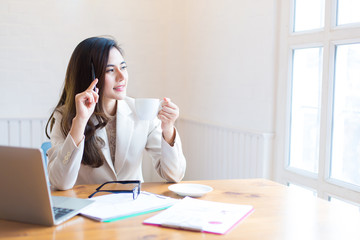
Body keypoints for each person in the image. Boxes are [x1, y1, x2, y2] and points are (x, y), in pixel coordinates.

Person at [46, 36, 186, 190]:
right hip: (88, 206)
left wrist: (168, 129)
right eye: (110, 70)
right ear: (90, 77)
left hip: (132, 206)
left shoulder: (139, 110)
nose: (122, 77)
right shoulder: (64, 116)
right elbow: (60, 182)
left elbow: (174, 175)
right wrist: (80, 121)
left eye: (123, 67)